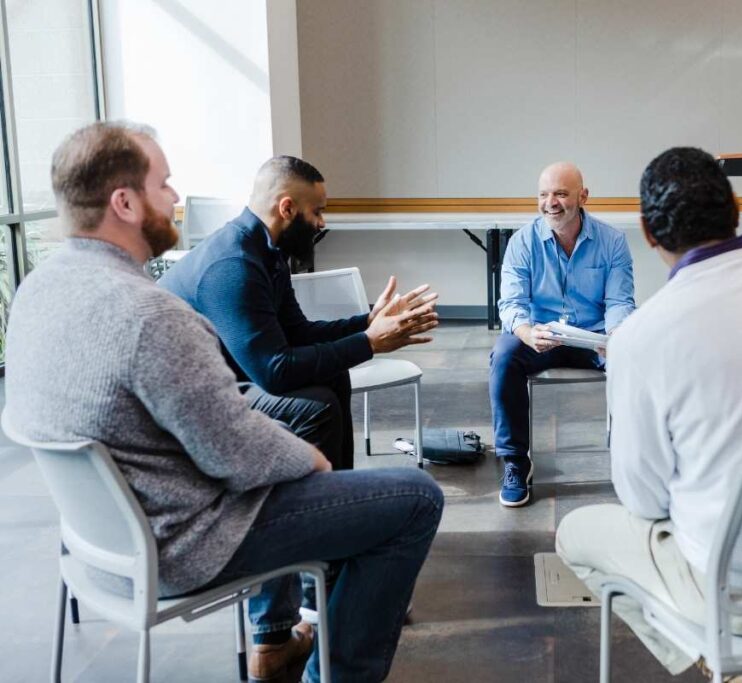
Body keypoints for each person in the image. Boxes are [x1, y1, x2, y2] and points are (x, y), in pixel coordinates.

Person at [4, 121, 443, 682]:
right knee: (415, 497)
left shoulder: (37, 291)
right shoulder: (152, 315)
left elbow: (280, 353)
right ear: (124, 201)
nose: (175, 198)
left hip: (98, 546)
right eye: (163, 184)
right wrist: (310, 461)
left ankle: (282, 633)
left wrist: (367, 326)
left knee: (317, 407)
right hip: (185, 544)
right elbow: (235, 455)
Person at [556, 147, 742, 677]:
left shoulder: (643, 335)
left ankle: (725, 665)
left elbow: (643, 499)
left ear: (649, 235)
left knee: (576, 535)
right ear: (736, 212)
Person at [159, 156, 439, 472]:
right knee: (315, 407)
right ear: (287, 208)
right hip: (190, 397)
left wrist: (368, 322)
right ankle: (314, 508)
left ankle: (339, 492)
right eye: (317, 211)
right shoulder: (234, 266)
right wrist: (369, 343)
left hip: (229, 371)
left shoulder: (268, 252)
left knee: (333, 375)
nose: (322, 223)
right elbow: (274, 371)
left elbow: (298, 333)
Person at [489, 162, 635, 507]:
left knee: (634, 358)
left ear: (583, 196)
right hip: (542, 333)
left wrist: (615, 338)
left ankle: (631, 459)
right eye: (543, 194)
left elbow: (620, 301)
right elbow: (511, 303)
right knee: (504, 358)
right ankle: (515, 461)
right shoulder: (522, 243)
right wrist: (526, 333)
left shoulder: (612, 241)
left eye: (561, 194)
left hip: (594, 335)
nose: (551, 202)